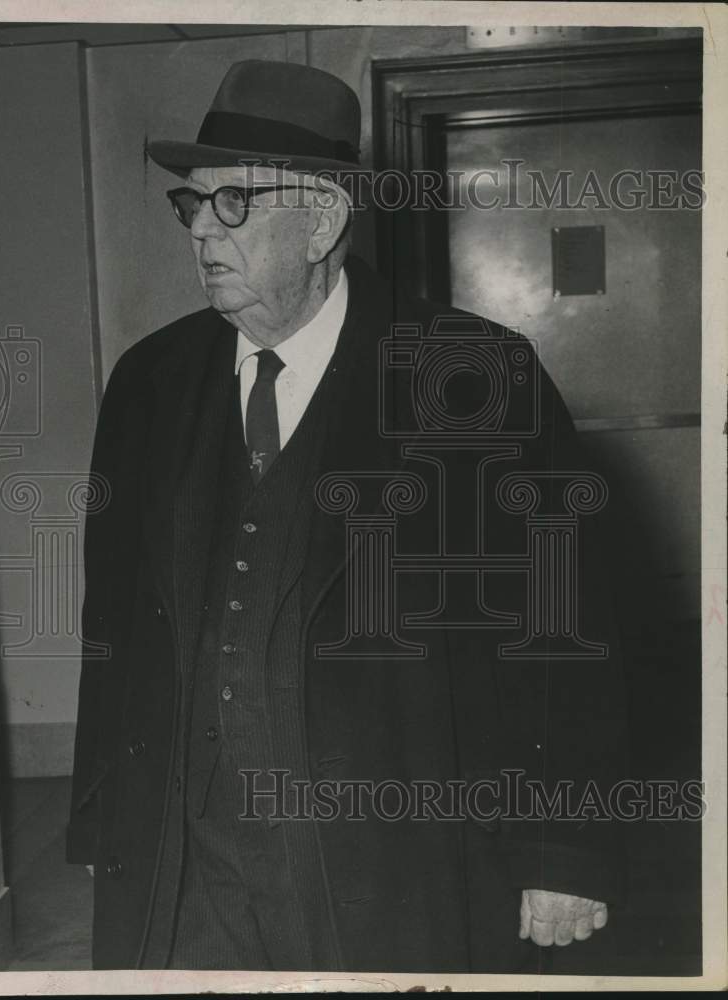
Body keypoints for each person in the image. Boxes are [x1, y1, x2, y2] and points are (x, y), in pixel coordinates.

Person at [67, 59, 627, 973]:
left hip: (384, 861)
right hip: (183, 857)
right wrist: (102, 822)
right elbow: (115, 627)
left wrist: (562, 849)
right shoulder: (147, 383)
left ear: (322, 218)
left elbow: (563, 635)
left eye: (233, 204)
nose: (200, 232)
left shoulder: (473, 377)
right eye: (191, 206)